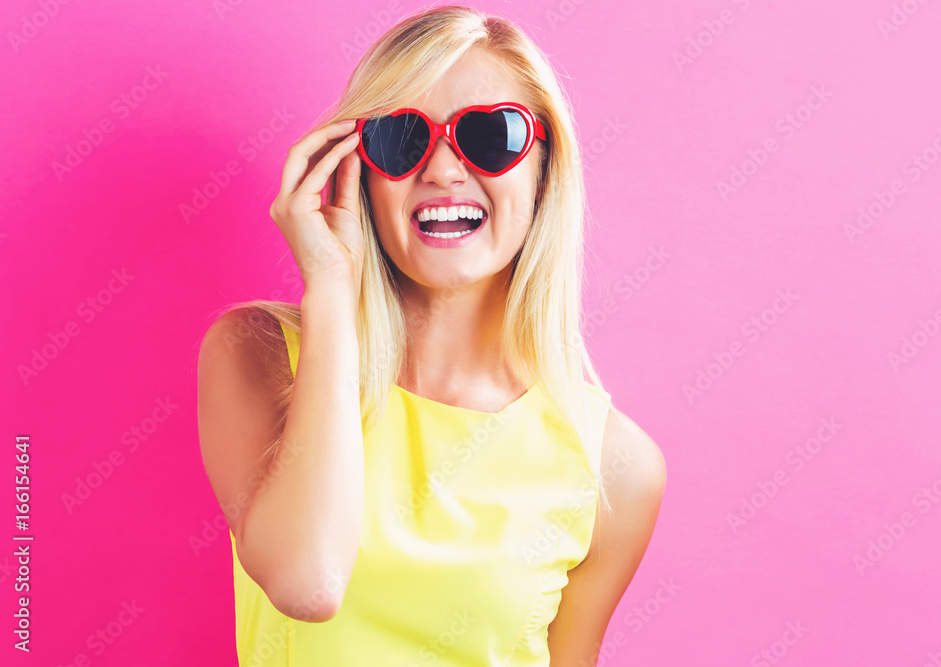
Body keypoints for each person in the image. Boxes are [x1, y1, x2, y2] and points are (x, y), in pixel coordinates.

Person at [196, 5, 666, 665]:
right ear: (356, 170)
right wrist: (330, 286)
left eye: (491, 135)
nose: (443, 170)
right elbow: (307, 581)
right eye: (401, 139)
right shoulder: (259, 355)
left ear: (543, 172)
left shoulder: (616, 465)